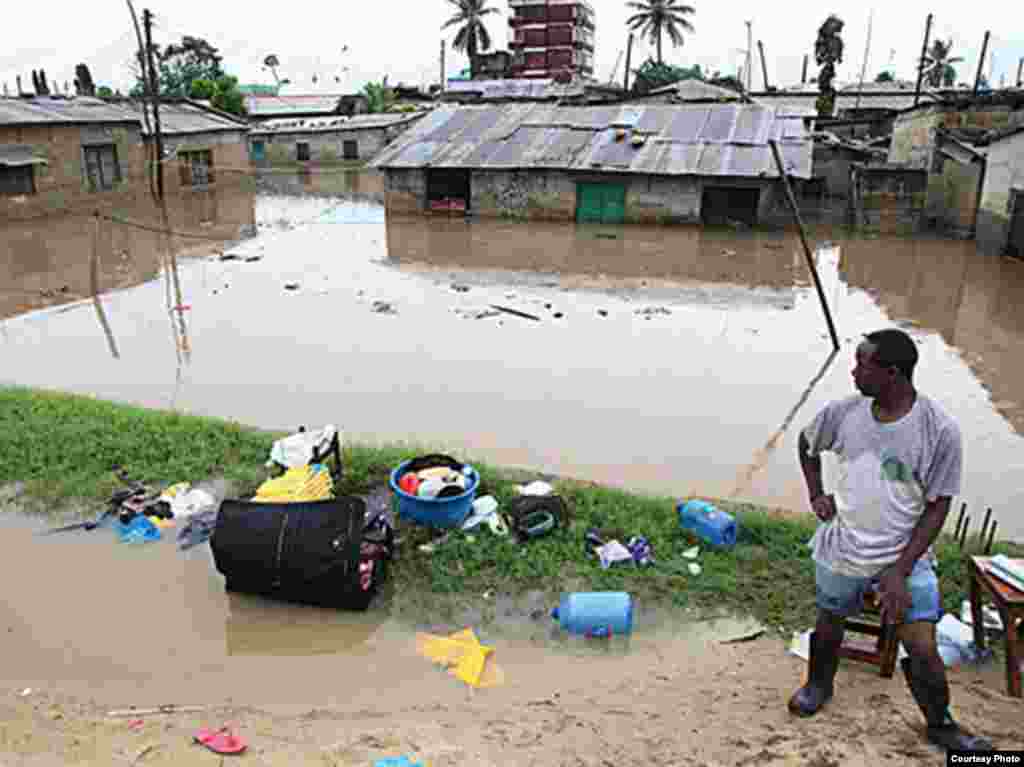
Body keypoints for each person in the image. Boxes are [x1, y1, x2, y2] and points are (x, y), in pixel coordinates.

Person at [791, 328, 992, 751]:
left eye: (863, 363)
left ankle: (940, 723)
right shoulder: (844, 413)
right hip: (843, 545)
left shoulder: (939, 431)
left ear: (893, 373)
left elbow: (938, 506)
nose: (853, 371)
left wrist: (899, 571)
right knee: (829, 621)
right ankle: (818, 686)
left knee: (922, 646)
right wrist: (816, 493)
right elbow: (806, 444)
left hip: (907, 556)